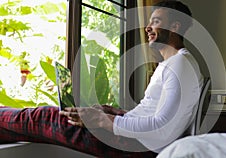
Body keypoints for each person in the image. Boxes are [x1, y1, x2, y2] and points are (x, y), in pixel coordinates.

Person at [0, 1, 203, 157]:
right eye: (149, 22)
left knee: (46, 117)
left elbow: (161, 127)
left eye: (156, 22)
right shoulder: (174, 63)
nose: (148, 28)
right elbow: (151, 113)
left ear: (175, 27)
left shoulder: (180, 64)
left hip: (138, 147)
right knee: (71, 114)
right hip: (138, 138)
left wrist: (102, 120)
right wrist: (107, 113)